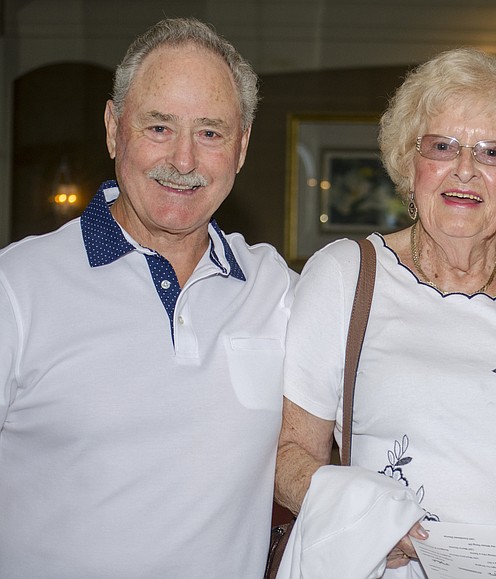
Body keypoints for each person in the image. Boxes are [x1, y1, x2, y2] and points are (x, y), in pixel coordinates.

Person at [275, 47, 496, 578]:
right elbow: (290, 451)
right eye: (442, 146)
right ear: (409, 161)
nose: (465, 170)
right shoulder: (347, 276)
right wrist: (361, 519)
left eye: (491, 153)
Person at [0, 18, 297, 578]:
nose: (183, 161)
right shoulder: (17, 287)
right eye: (159, 127)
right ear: (114, 128)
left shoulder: (273, 287)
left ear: (242, 145)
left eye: (210, 132)